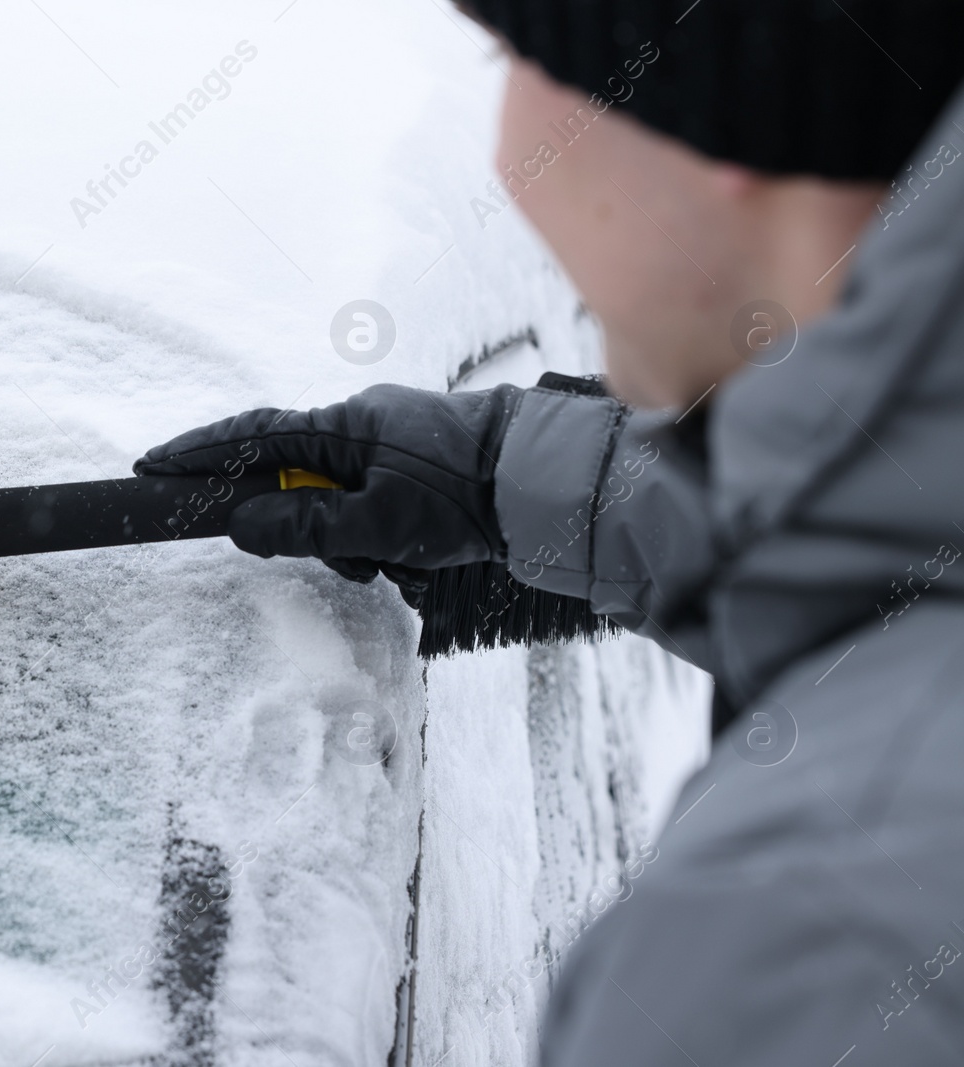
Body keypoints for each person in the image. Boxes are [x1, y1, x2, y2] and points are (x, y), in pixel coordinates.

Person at [135, 2, 964, 1063]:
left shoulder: (813, 937)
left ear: (709, 126)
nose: (512, 154)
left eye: (511, 54)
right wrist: (485, 477)